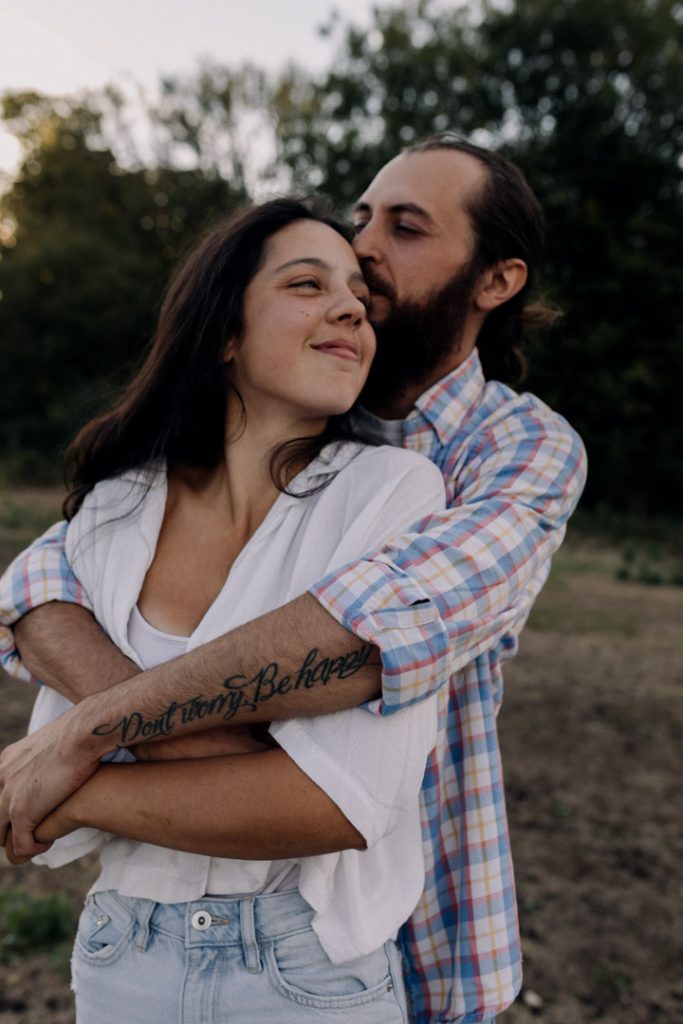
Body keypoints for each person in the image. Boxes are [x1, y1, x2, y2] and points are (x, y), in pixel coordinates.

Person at [0, 135, 587, 1023]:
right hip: (139, 945)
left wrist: (83, 738)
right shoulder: (153, 488)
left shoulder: (511, 452)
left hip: (411, 929)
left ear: (495, 281)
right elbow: (39, 583)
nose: (365, 248)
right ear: (228, 334)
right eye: (359, 220)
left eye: (406, 228)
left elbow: (368, 634)